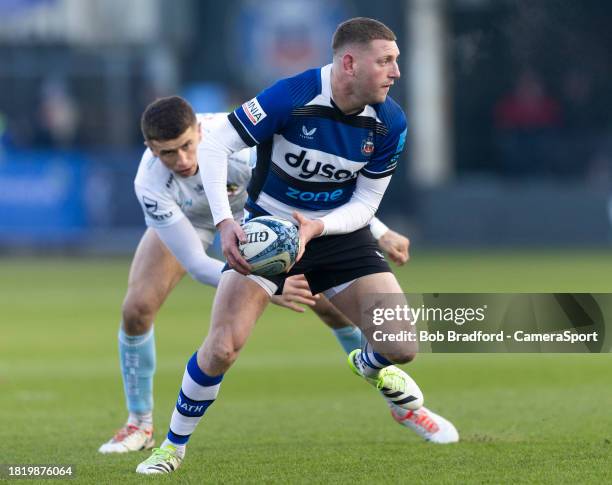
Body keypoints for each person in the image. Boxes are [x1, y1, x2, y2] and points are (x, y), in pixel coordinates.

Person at [136, 18, 457, 475]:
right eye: (386, 61)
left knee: (401, 345)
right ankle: (171, 447)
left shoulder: (391, 123)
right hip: (267, 231)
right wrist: (227, 223)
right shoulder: (292, 95)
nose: (396, 72)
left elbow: (365, 202)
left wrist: (319, 229)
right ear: (349, 62)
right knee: (223, 347)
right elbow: (215, 147)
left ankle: (367, 365)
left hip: (336, 233)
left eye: (397, 61)